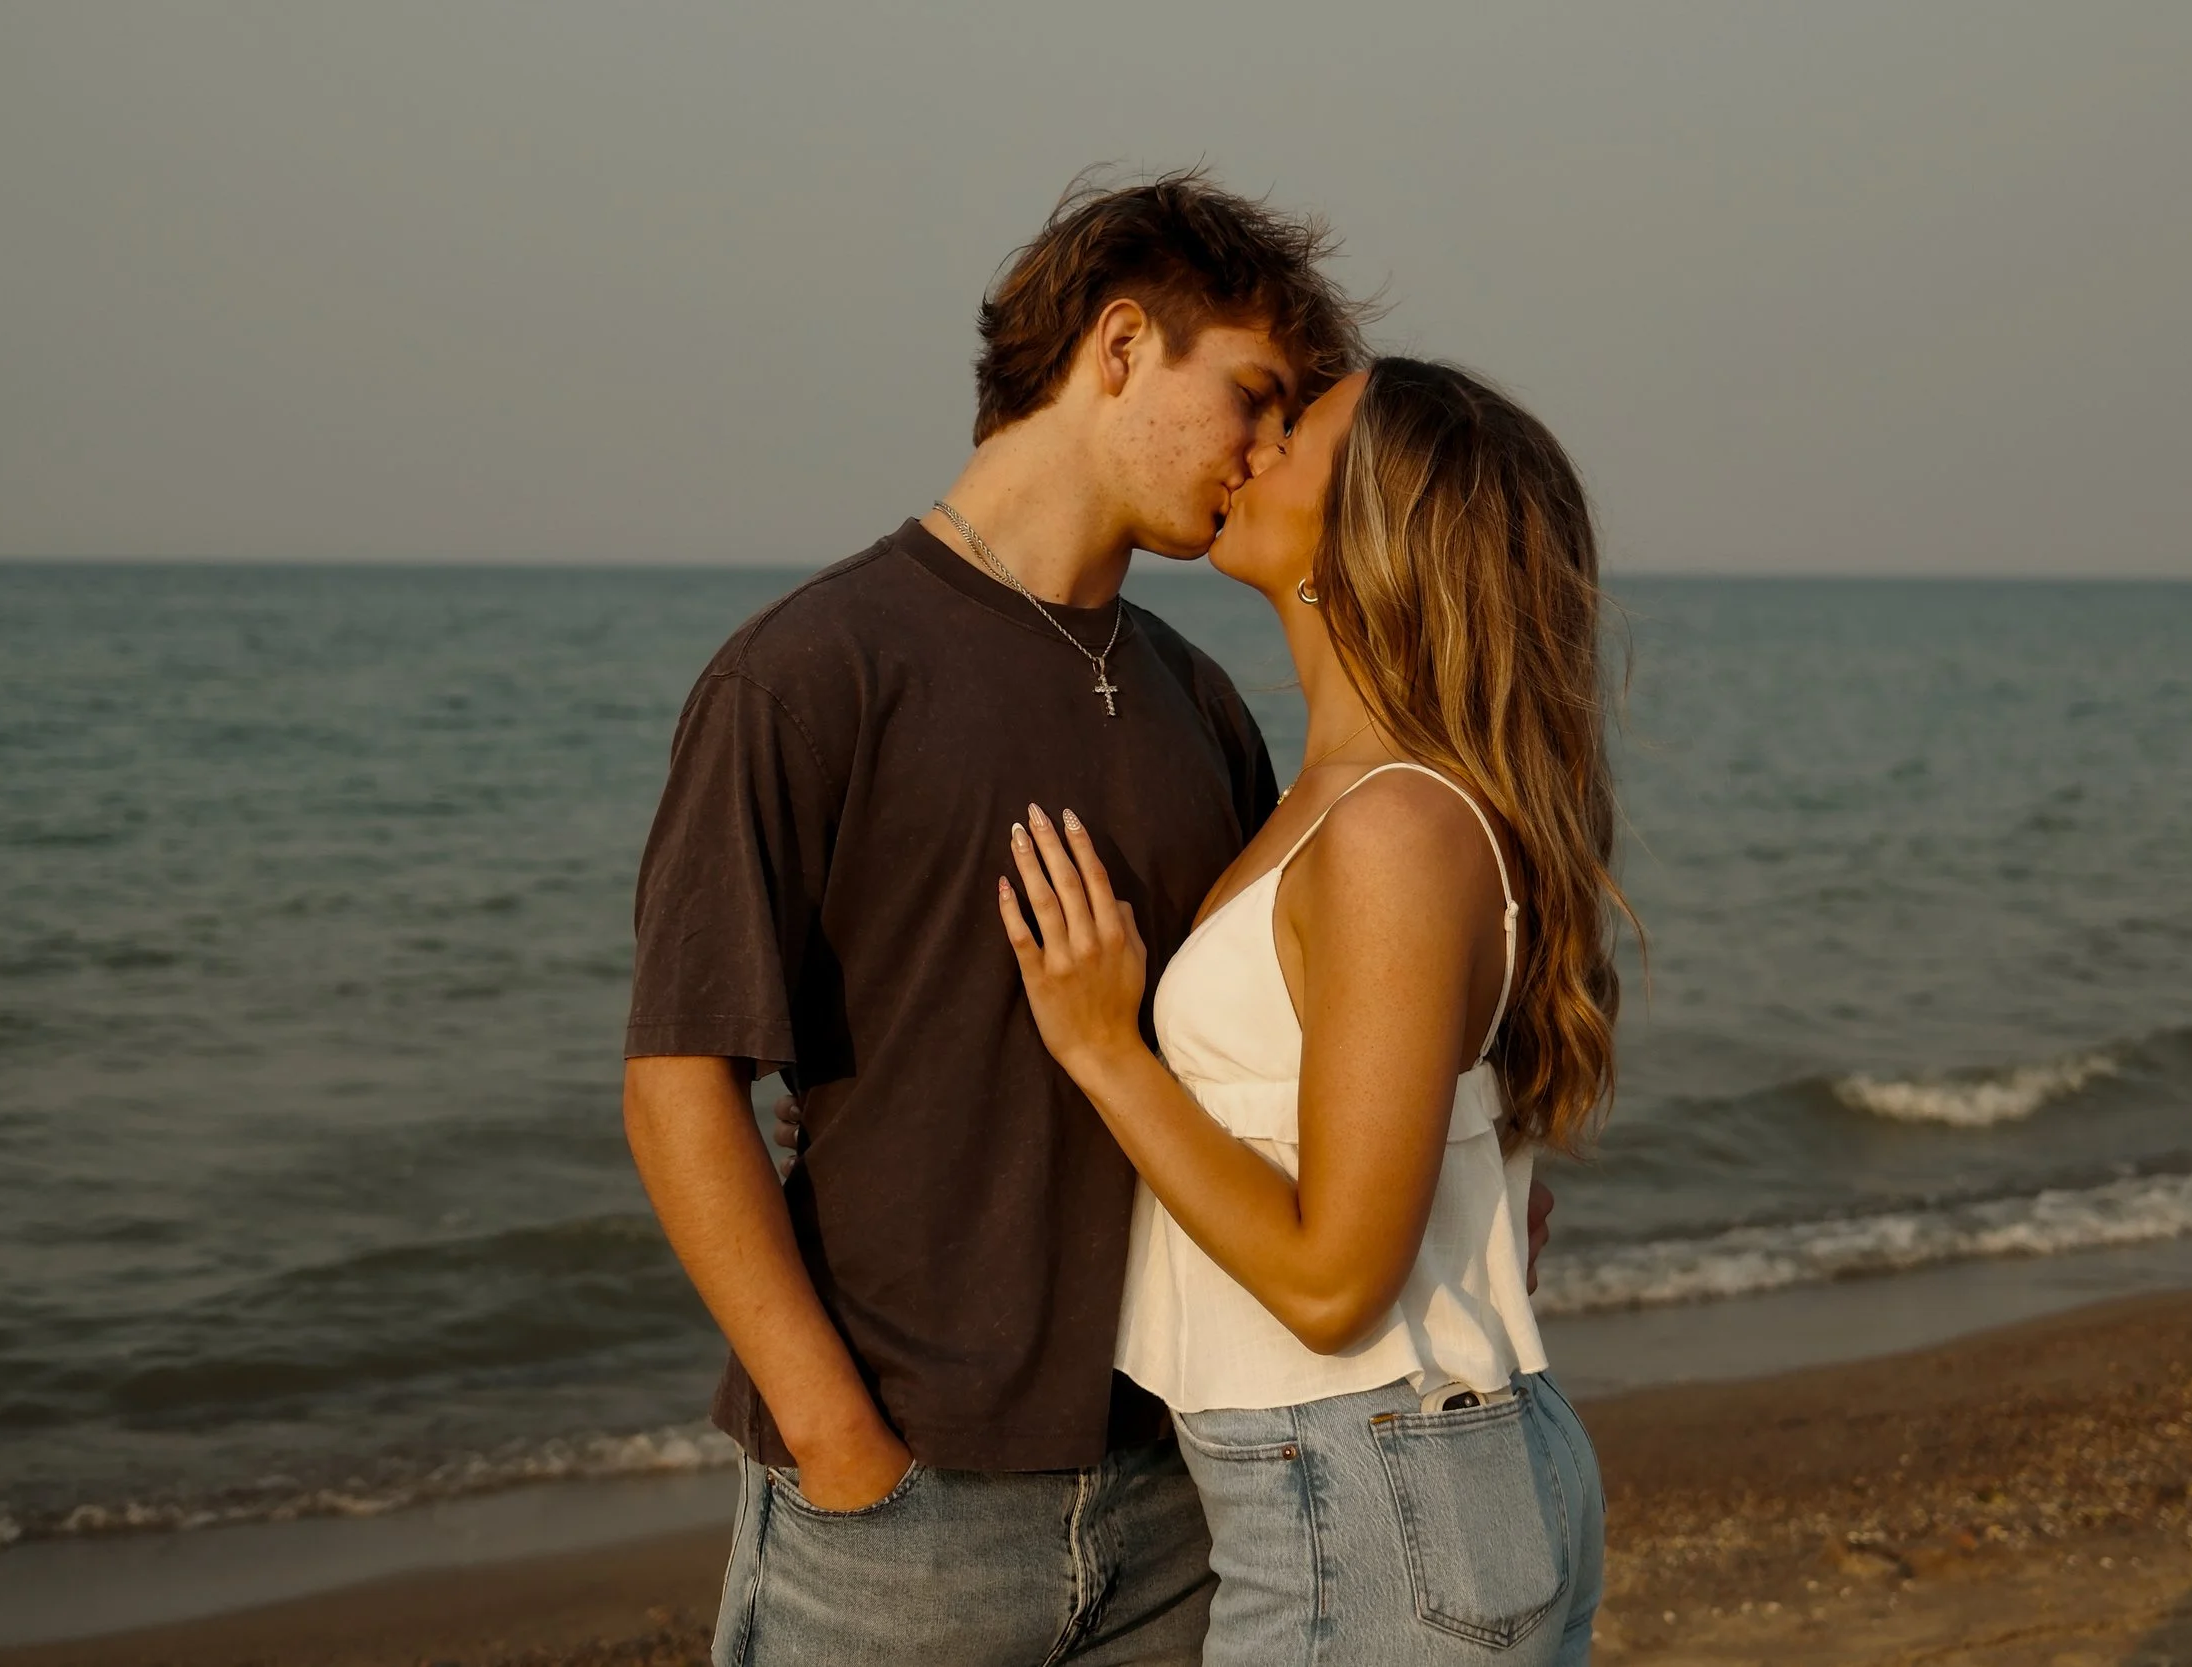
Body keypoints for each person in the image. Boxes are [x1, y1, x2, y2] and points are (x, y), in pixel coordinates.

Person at [622, 172, 1550, 1666]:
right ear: (1121, 348)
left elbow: (1326, 1046)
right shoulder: (811, 672)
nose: (1264, 452)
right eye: (1252, 395)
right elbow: (679, 1083)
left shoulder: (1203, 701)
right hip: (904, 1510)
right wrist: (841, 1444)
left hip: (1194, 1500)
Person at [998, 356, 1622, 1664]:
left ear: (1364, 539)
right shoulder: (1357, 799)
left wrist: (1108, 1052)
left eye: (1295, 439)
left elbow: (1335, 1283)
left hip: (1371, 1491)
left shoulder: (1391, 825)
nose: (1251, 447)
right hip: (1409, 1475)